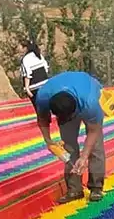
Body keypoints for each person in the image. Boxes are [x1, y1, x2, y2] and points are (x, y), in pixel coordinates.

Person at [34, 70, 107, 203]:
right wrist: (48, 140)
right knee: (68, 148)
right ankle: (74, 189)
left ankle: (96, 187)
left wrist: (84, 156)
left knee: (95, 147)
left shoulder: (90, 102)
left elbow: (93, 131)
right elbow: (42, 119)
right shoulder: (43, 97)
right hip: (66, 97)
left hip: (88, 89)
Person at [19, 38, 49, 109]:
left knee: (38, 108)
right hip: (44, 84)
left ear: (25, 48)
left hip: (34, 87)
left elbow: (27, 74)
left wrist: (27, 89)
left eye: (20, 47)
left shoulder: (25, 59)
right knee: (45, 107)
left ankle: (42, 120)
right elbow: (46, 68)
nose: (18, 49)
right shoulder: (39, 55)